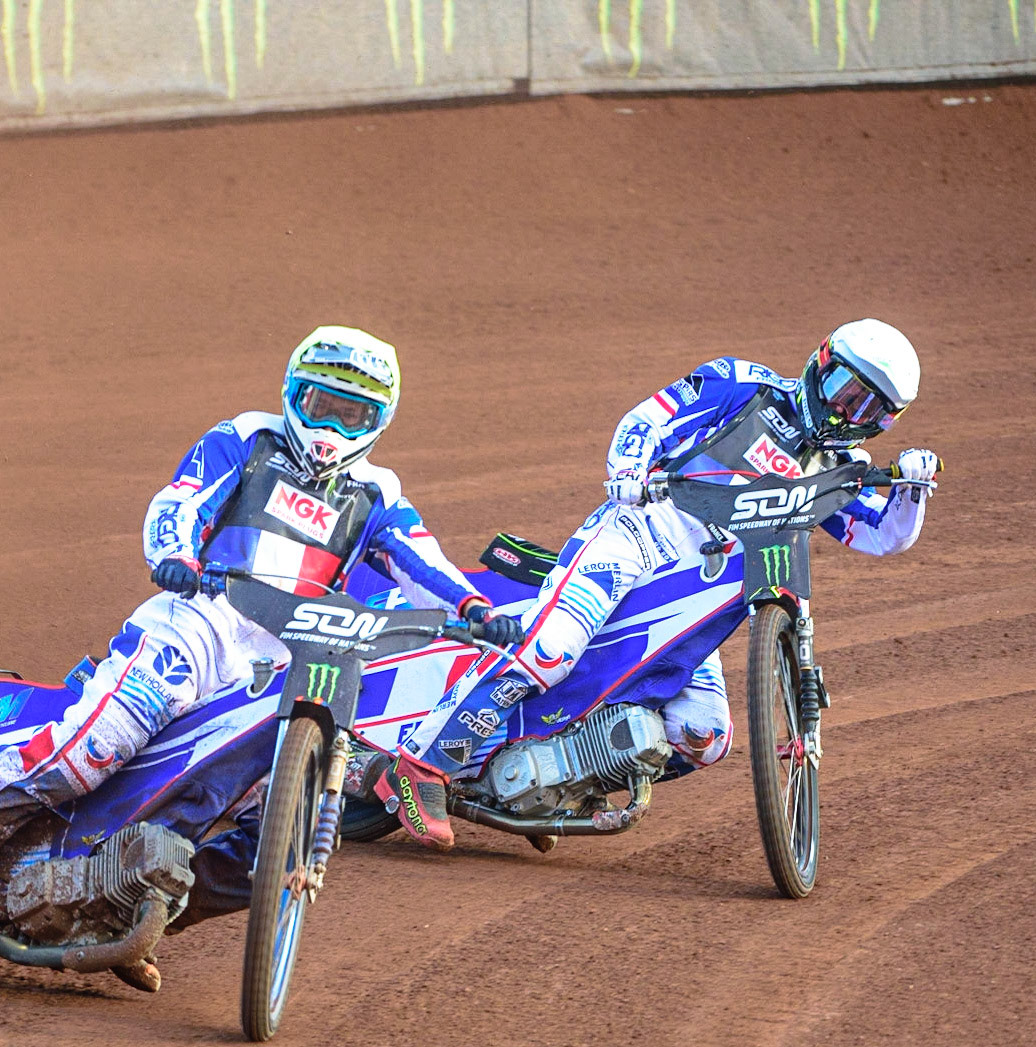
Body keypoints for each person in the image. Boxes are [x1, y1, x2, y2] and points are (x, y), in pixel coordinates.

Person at [0, 326, 522, 948]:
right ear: (293, 393)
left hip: (275, 669)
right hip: (196, 625)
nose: (329, 429)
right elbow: (181, 501)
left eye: (350, 416)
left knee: (268, 834)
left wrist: (473, 608)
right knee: (93, 749)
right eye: (319, 406)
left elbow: (421, 562)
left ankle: (114, 922)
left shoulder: (378, 494)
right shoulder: (245, 439)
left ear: (378, 421)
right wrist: (174, 553)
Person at [401, 318, 943, 797]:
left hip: (702, 599)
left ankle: (561, 783)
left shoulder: (840, 466)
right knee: (549, 651)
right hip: (639, 535)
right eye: (844, 388)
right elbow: (647, 420)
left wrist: (913, 489)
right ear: (819, 365)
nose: (848, 409)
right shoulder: (743, 384)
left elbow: (881, 536)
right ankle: (420, 766)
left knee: (706, 736)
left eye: (869, 407)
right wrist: (630, 471)